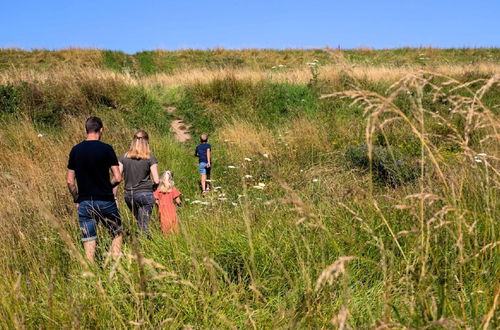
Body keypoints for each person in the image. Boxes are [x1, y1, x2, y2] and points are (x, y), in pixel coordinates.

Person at [66, 117, 123, 262]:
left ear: (86, 129)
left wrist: (76, 198)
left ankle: (90, 277)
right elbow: (117, 177)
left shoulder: (75, 150)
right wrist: (106, 187)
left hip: (85, 202)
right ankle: (116, 266)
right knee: (116, 233)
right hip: (105, 200)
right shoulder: (107, 149)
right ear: (101, 129)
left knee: (89, 239)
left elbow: (70, 181)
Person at [117, 130, 159, 237]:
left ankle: (140, 241)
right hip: (145, 194)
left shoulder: (123, 157)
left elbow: (117, 177)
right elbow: (157, 180)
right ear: (147, 142)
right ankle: (144, 247)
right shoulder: (150, 157)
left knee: (139, 221)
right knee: (144, 225)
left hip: (129, 195)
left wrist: (114, 196)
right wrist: (154, 189)